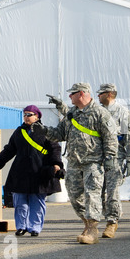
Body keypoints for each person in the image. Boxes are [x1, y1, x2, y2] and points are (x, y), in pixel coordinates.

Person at [33, 83, 118, 244]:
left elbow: (110, 137)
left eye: (72, 94)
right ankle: (87, 224)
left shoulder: (99, 113)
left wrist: (110, 160)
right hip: (74, 162)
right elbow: (60, 134)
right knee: (74, 196)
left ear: (81, 94)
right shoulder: (72, 114)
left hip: (93, 162)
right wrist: (44, 131)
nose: (69, 97)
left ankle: (93, 230)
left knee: (92, 195)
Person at [0, 105, 64, 237]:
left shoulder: (45, 131)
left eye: (29, 114)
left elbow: (55, 148)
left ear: (37, 116)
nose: (26, 117)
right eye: (24, 114)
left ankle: (35, 227)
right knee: (20, 201)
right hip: (20, 172)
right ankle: (21, 226)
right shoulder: (19, 132)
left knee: (37, 201)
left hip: (39, 172)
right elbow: (10, 149)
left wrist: (56, 164)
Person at [97, 83, 130, 238]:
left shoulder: (122, 111)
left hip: (115, 157)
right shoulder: (97, 111)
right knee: (98, 191)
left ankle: (112, 221)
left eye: (100, 94)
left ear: (108, 94)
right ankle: (108, 214)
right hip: (98, 157)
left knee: (112, 191)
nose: (98, 96)